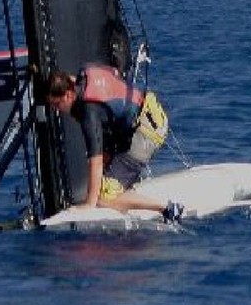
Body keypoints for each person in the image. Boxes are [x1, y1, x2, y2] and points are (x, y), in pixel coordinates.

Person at [46, 66, 185, 222]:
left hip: (147, 131)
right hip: (146, 112)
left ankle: (167, 208)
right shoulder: (83, 73)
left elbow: (96, 161)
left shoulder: (89, 114)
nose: (56, 110)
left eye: (56, 105)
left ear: (68, 95)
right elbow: (115, 72)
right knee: (101, 179)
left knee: (103, 198)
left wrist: (89, 204)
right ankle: (125, 184)